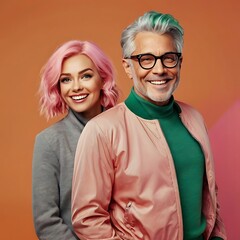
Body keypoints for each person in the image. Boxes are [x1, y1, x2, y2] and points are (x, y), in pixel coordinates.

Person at [71, 11, 227, 240]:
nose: (159, 69)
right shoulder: (102, 130)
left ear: (179, 62)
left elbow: (209, 195)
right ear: (127, 66)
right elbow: (87, 219)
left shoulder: (194, 118)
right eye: (146, 59)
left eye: (169, 58)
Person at [32, 40, 119, 240]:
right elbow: (46, 222)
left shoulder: (127, 130)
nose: (76, 87)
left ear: (103, 79)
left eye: (86, 76)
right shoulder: (49, 141)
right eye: (66, 80)